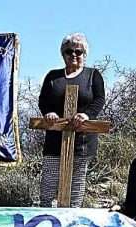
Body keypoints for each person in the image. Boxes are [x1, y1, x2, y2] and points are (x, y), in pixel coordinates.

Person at [38, 33, 105, 208]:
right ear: (63, 54)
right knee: (47, 190)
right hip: (54, 141)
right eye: (69, 51)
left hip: (81, 143)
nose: (74, 55)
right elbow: (43, 101)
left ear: (85, 54)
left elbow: (99, 99)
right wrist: (49, 113)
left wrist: (86, 115)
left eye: (79, 51)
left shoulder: (93, 75)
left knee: (75, 192)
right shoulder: (53, 77)